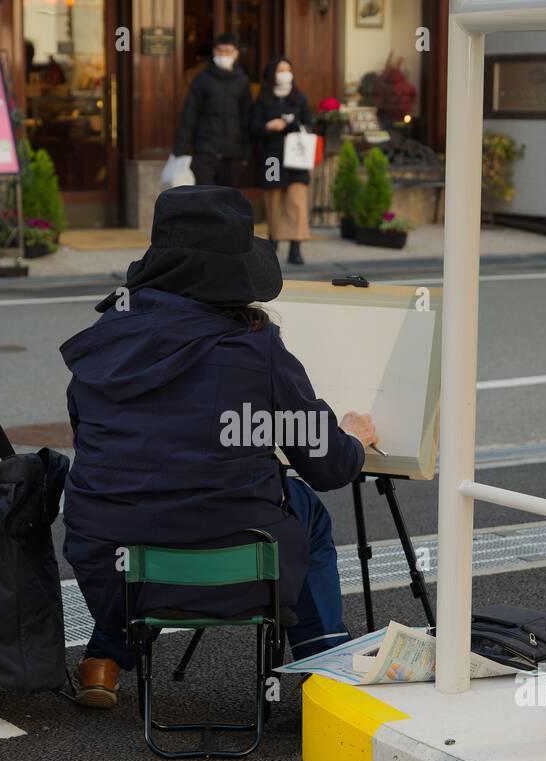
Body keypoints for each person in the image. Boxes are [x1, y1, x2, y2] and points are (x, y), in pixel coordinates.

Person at [60, 185, 378, 708]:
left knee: (142, 510)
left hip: (111, 566)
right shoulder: (256, 350)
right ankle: (325, 669)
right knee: (310, 513)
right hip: (230, 571)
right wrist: (354, 438)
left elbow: (99, 446)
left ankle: (105, 658)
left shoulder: (102, 342)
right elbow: (329, 465)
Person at [250, 57, 313, 266]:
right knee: (273, 200)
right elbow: (254, 127)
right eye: (280, 70)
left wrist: (291, 125)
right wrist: (269, 126)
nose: (285, 74)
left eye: (288, 69)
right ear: (271, 74)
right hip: (272, 157)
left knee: (297, 202)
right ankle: (273, 241)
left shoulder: (299, 99)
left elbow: (309, 126)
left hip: (297, 157)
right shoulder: (264, 99)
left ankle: (296, 247)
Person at [173, 33, 251, 187]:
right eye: (220, 50)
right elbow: (189, 115)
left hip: (233, 152)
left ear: (236, 54)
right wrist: (180, 150)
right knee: (205, 197)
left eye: (228, 51)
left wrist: (246, 152)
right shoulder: (202, 79)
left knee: (229, 199)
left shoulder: (242, 81)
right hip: (205, 150)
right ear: (214, 52)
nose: (224, 55)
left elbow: (246, 118)